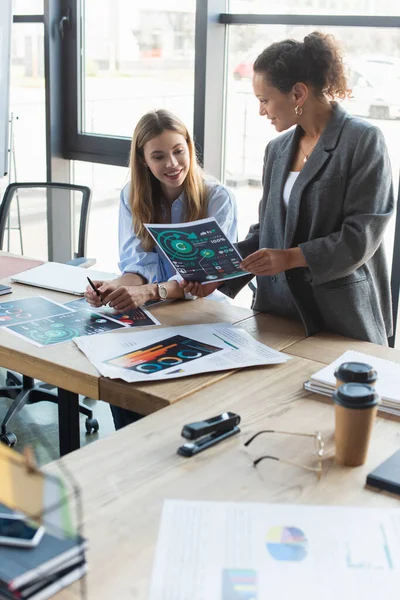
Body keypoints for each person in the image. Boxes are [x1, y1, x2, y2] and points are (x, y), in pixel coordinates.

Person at [183, 32, 394, 346]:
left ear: (297, 93)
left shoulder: (363, 141)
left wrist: (290, 257)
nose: (261, 110)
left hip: (340, 316)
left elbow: (360, 238)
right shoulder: (277, 150)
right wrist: (219, 274)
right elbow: (265, 232)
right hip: (278, 311)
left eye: (264, 100)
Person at [85, 109, 238, 429]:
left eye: (178, 151)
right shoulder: (132, 195)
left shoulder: (217, 197)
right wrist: (116, 287)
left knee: (179, 400)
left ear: (189, 149)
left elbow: (203, 277)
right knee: (121, 383)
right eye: (158, 156)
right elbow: (137, 264)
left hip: (203, 311)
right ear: (143, 160)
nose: (172, 163)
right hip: (155, 309)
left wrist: (149, 291)